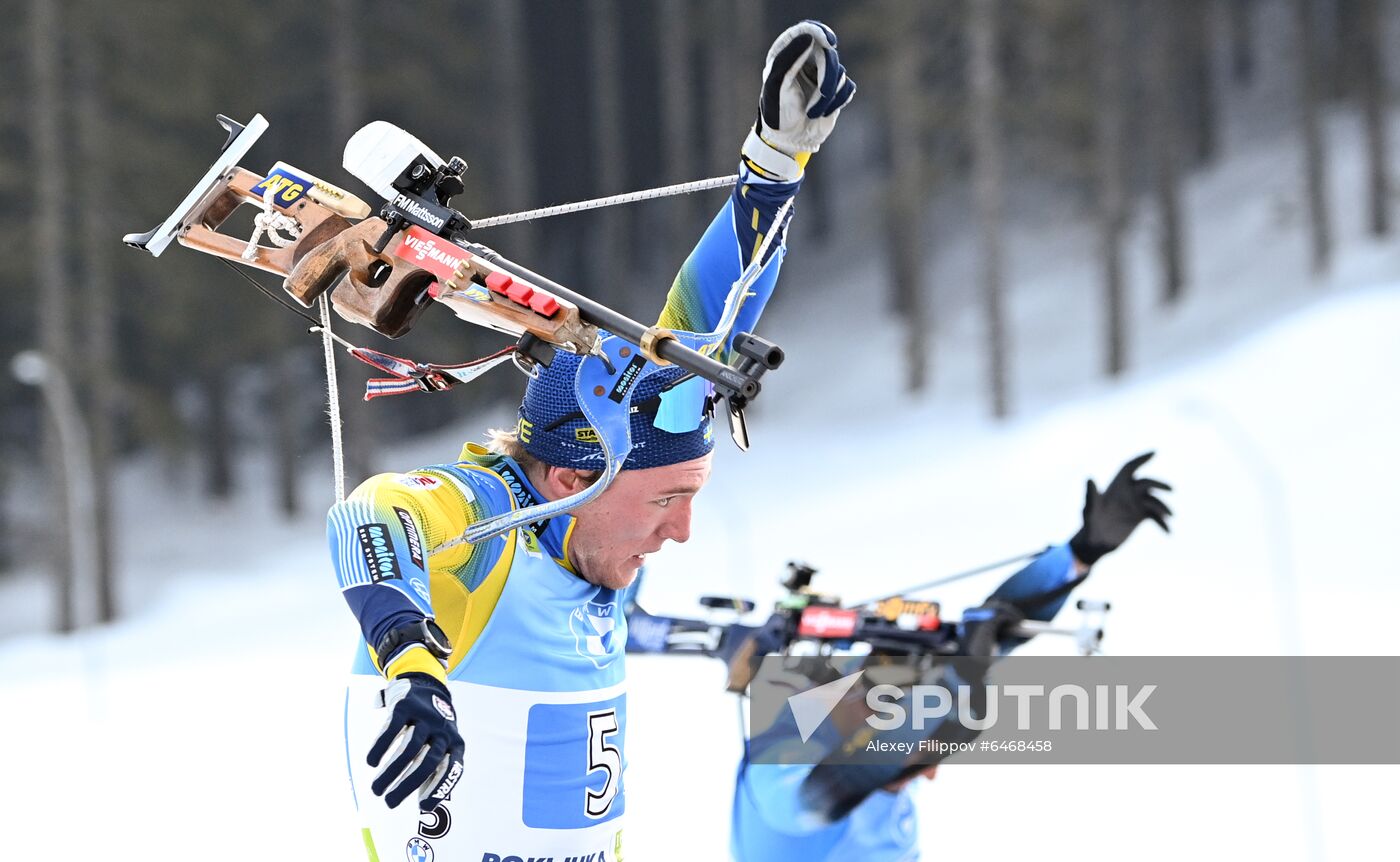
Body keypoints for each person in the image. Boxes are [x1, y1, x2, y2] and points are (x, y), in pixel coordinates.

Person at [326, 21, 855, 862]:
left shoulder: (591, 551)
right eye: (668, 499)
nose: (681, 531)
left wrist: (775, 167)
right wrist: (412, 662)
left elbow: (698, 333)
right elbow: (369, 514)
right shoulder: (492, 526)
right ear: (575, 479)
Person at [731, 453, 1173, 861]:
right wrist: (944, 695)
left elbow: (989, 637)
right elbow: (815, 799)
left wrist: (1080, 552)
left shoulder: (867, 742)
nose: (928, 773)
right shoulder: (780, 765)